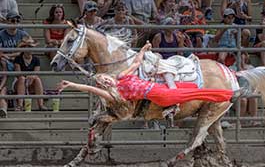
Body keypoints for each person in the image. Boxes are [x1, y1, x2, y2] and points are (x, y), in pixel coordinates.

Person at [58, 42, 242, 111]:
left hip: (159, 88)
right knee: (198, 94)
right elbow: (90, 88)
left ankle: (226, 94)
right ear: (105, 86)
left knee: (196, 89)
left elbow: (137, 62)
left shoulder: (121, 76)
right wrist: (73, 85)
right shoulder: (116, 93)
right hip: (162, 95)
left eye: (104, 78)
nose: (105, 80)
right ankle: (229, 95)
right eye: (103, 82)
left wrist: (144, 49)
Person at [13, 37, 47, 111]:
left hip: (31, 82)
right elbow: (18, 74)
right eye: (28, 46)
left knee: (37, 79)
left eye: (31, 47)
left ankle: (40, 105)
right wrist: (27, 77)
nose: (30, 49)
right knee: (22, 78)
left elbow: (36, 73)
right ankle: (20, 105)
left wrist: (31, 77)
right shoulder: (18, 59)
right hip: (19, 82)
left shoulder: (36, 59)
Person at [0, 52, 8, 117]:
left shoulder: (3, 63)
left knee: (2, 94)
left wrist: (0, 87)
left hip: (1, 85)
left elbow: (5, 77)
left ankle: (3, 110)